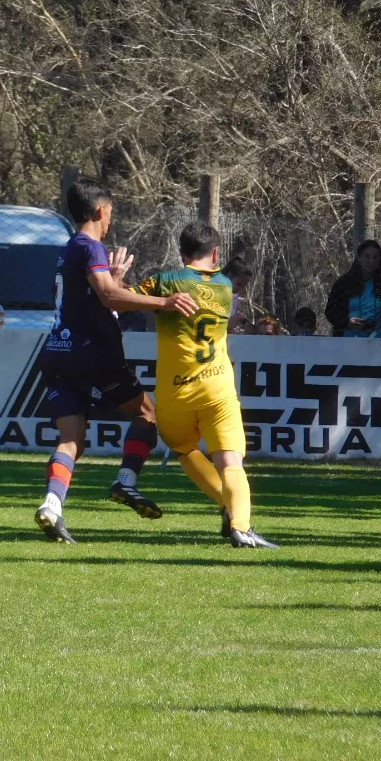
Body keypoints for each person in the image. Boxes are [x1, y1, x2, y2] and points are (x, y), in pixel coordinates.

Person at [33, 178, 199, 544]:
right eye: (111, 213)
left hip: (57, 352)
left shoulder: (68, 249)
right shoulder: (91, 246)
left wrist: (116, 280)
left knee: (72, 439)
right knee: (146, 415)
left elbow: (92, 297)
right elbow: (108, 297)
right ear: (99, 211)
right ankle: (126, 483)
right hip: (94, 355)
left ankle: (51, 505)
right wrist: (165, 303)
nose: (111, 221)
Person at [129, 221, 277, 549]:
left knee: (184, 450)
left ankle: (227, 508)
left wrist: (124, 283)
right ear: (215, 253)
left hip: (174, 393)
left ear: (182, 253)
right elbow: (213, 282)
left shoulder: (166, 282)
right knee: (231, 462)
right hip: (217, 389)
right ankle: (240, 525)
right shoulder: (225, 285)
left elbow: (120, 299)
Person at [325, 239, 381, 338]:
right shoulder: (344, 283)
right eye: (367, 256)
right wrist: (347, 322)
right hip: (347, 341)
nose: (371, 261)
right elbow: (330, 311)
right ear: (359, 258)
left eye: (375, 257)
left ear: (380, 259)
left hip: (380, 342)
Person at [223, 255, 253, 334]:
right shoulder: (213, 292)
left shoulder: (234, 296)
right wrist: (227, 325)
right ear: (229, 275)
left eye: (244, 286)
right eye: (239, 284)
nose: (240, 289)